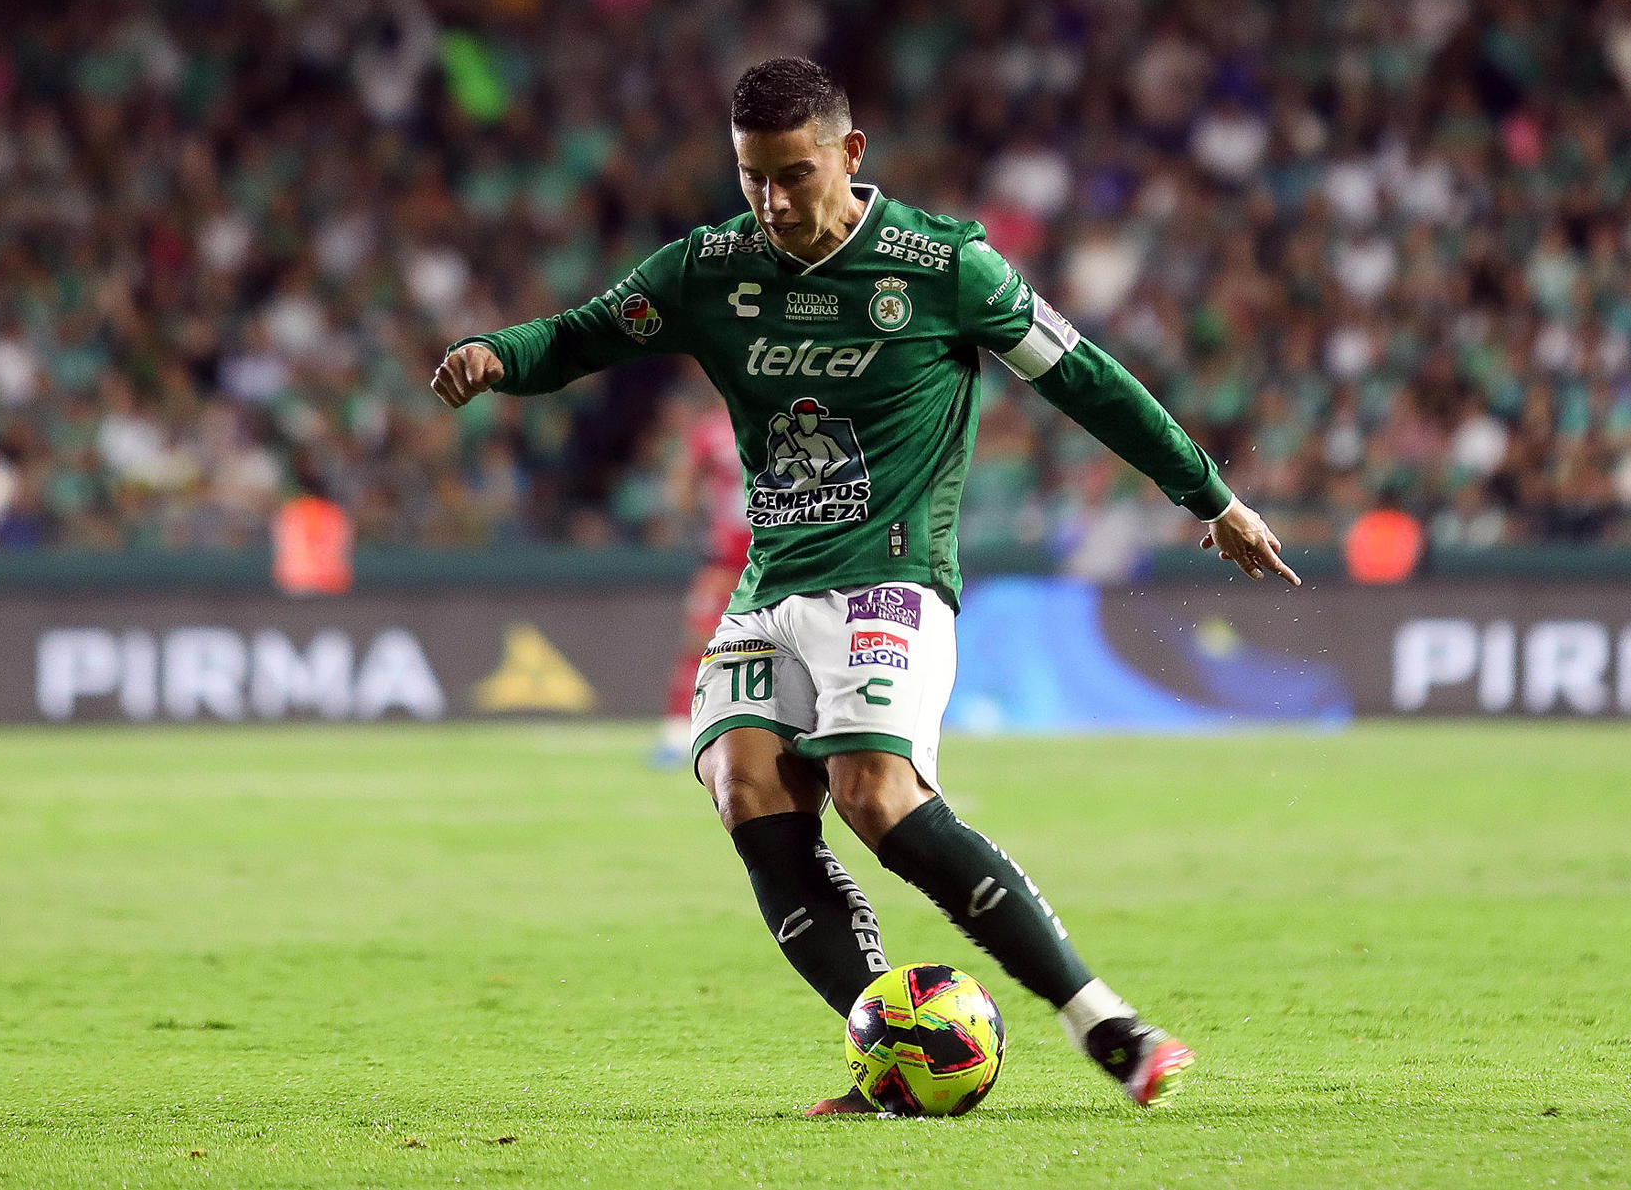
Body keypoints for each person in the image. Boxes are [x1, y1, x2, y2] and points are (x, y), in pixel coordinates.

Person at [432, 57, 1298, 1114]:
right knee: (745, 788)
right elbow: (576, 336)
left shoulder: (944, 267)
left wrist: (1209, 497)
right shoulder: (709, 268)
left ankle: (1109, 1025)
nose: (772, 200)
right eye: (752, 176)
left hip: (888, 581)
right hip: (769, 587)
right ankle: (891, 1051)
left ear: (850, 154)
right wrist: (493, 352)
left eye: (795, 173)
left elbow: (1087, 379)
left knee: (872, 794)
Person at [654, 383, 753, 765]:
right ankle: (677, 732)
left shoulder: (781, 418)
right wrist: (696, 523)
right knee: (698, 639)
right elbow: (682, 484)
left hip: (777, 555)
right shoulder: (711, 429)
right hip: (725, 559)